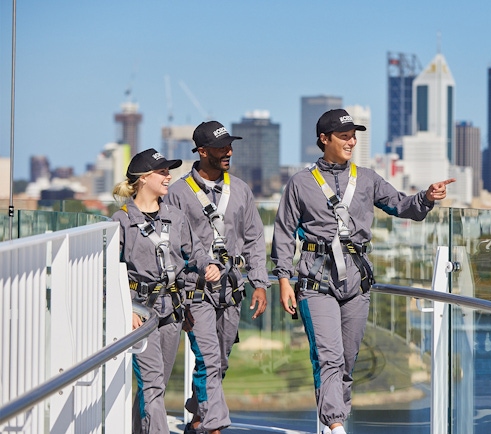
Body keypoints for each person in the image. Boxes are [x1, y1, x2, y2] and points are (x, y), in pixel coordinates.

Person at [271, 108, 454, 434]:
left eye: (354, 135)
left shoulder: (368, 178)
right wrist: (284, 279)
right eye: (344, 136)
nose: (352, 141)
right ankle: (335, 425)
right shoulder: (300, 183)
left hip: (357, 281)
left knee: (347, 361)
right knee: (329, 357)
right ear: (324, 139)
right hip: (316, 281)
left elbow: (401, 205)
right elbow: (284, 233)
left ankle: (333, 422)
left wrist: (426, 197)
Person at [165, 120, 269, 434]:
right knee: (209, 358)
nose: (229, 152)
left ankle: (198, 415)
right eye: (222, 147)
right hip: (194, 292)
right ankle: (214, 427)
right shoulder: (178, 193)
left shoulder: (241, 190)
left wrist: (260, 283)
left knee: (219, 361)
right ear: (201, 150)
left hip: (233, 289)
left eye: (230, 146)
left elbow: (254, 238)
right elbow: (170, 247)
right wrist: (175, 299)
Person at [112, 148, 221, 434]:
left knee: (155, 385)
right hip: (140, 312)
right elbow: (109, 273)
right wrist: (127, 310)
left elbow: (195, 250)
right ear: (144, 178)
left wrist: (208, 265)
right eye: (162, 172)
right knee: (152, 383)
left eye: (168, 171)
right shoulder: (120, 221)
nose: (168, 176)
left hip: (172, 311)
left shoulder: (175, 216)